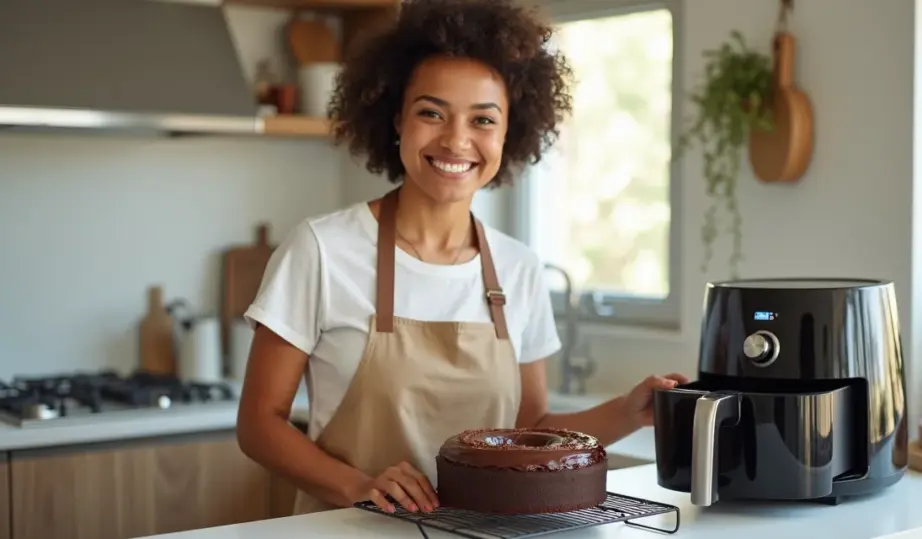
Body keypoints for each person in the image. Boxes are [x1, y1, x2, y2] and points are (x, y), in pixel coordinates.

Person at [235, 0, 689, 517]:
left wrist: (628, 411)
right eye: (432, 113)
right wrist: (358, 486)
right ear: (396, 120)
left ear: (508, 134)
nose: (456, 139)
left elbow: (530, 436)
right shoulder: (321, 250)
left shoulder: (519, 270)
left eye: (483, 120)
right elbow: (259, 423)